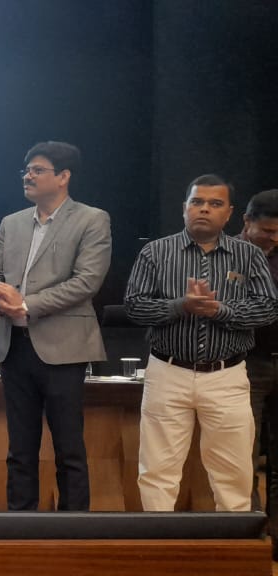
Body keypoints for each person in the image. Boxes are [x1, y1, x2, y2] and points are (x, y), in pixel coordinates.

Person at [125, 175, 278, 513]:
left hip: (227, 376)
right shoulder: (155, 252)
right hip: (168, 372)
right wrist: (181, 306)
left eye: (214, 203)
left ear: (230, 213)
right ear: (184, 208)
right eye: (197, 202)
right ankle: (159, 542)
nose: (204, 209)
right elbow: (134, 307)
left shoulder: (249, 255)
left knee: (234, 473)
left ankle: (234, 544)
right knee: (157, 470)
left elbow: (267, 308)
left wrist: (218, 310)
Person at [0, 141, 111, 512]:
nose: (28, 176)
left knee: (68, 448)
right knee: (19, 448)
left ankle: (73, 530)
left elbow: (86, 282)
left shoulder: (91, 219)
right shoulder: (11, 223)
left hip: (64, 350)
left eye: (38, 170)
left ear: (64, 176)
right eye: (27, 170)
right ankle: (20, 527)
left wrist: (26, 305)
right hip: (14, 347)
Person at [239, 189, 278, 550]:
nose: (274, 238)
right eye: (268, 231)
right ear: (247, 222)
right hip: (246, 364)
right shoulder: (229, 254)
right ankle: (252, 539)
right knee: (243, 456)